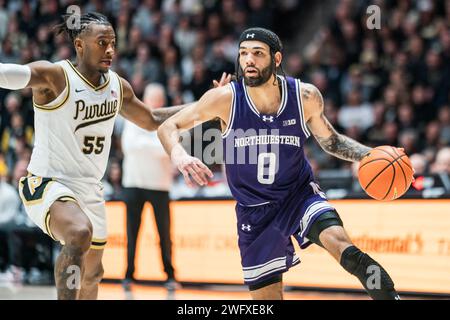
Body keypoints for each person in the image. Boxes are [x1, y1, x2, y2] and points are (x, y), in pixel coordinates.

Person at [158, 27, 401, 300]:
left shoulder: (304, 96)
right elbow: (168, 126)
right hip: (254, 211)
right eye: (243, 54)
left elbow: (331, 141)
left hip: (298, 195)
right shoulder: (224, 99)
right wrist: (180, 156)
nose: (248, 60)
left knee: (344, 247)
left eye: (257, 53)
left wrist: (371, 156)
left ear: (276, 59)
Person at [0, 12, 229, 300]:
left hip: (90, 189)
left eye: (113, 43)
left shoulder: (117, 87)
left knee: (93, 273)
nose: (110, 49)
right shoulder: (55, 76)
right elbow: (6, 74)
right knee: (79, 233)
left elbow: (152, 118)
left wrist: (206, 105)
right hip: (47, 182)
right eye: (102, 42)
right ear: (80, 45)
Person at [121, 83, 178, 290]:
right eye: (151, 98)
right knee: (132, 233)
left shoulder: (169, 120)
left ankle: (170, 276)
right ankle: (128, 275)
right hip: (133, 183)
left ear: (163, 101)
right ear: (144, 99)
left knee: (164, 234)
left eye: (158, 99)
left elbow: (170, 149)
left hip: (160, 185)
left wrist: (153, 147)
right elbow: (130, 146)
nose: (155, 102)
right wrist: (158, 146)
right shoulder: (133, 118)